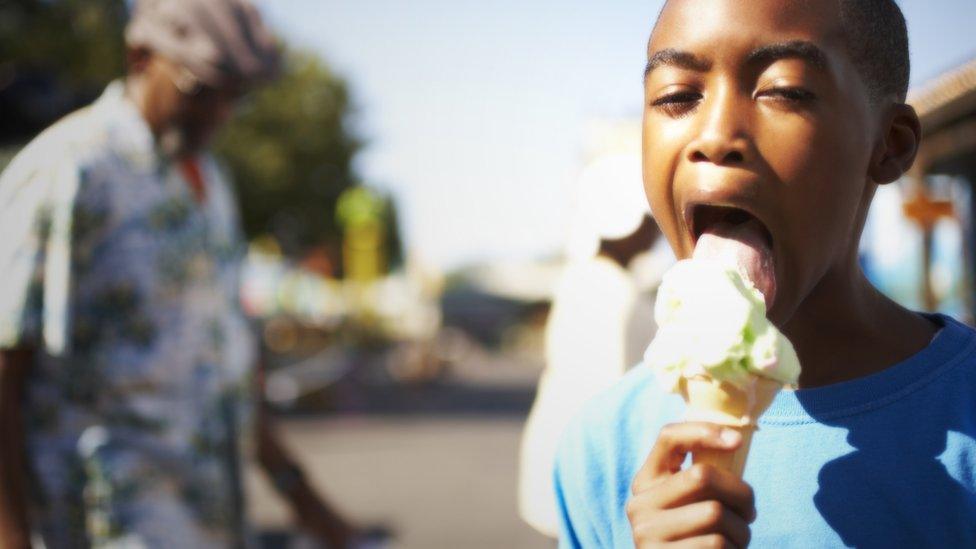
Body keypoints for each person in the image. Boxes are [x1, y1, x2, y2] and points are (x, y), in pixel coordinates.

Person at [554, 0, 976, 547]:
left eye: (782, 91)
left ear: (889, 144)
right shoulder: (604, 447)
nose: (715, 135)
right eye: (676, 96)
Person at [0, 1, 363, 547]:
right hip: (104, 527)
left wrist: (305, 499)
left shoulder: (211, 181)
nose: (218, 114)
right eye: (200, 89)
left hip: (211, 525)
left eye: (235, 96)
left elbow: (225, 366)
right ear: (140, 55)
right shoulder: (68, 171)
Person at [519, 153, 663, 537]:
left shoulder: (581, 278)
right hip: (590, 469)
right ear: (621, 221)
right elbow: (612, 401)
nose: (657, 230)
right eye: (649, 218)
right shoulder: (615, 294)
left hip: (558, 451)